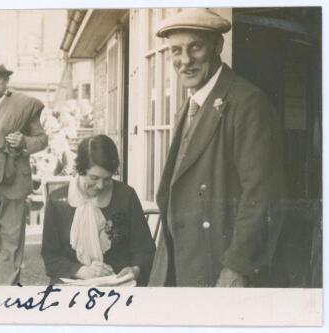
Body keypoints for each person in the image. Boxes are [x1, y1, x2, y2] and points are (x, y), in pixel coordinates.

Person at [148, 8, 286, 287]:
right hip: (182, 263)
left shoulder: (247, 103)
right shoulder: (188, 107)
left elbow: (262, 193)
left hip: (219, 268)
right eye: (176, 51)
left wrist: (237, 266)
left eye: (195, 47)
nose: (184, 60)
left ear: (217, 46)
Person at [41, 135, 155, 286]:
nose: (101, 186)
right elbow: (50, 256)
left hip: (119, 285)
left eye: (107, 179)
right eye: (94, 178)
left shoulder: (126, 196)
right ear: (80, 170)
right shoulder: (57, 201)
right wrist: (82, 271)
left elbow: (145, 249)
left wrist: (135, 269)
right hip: (72, 283)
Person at [0, 59, 48, 285]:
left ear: (7, 81)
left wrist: (24, 141)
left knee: (11, 238)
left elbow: (42, 139)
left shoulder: (23, 106)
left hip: (13, 182)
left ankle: (7, 291)